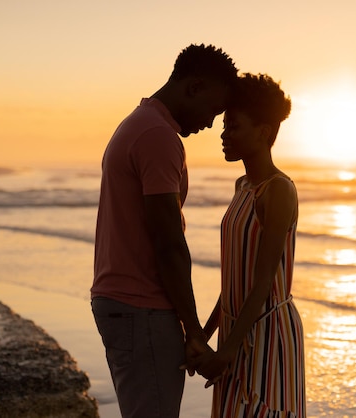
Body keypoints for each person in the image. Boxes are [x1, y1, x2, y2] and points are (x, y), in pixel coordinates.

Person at [91, 44, 238, 417]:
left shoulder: (139, 124)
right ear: (194, 86)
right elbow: (168, 241)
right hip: (141, 307)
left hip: (124, 302)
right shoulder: (158, 137)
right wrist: (193, 331)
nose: (209, 123)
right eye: (212, 110)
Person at [192, 74, 306, 417]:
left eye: (233, 126)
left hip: (267, 333)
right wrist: (203, 336)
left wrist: (224, 352)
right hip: (236, 330)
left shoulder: (278, 190)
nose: (224, 134)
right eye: (224, 125)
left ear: (264, 132)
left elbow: (262, 282)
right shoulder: (243, 186)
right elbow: (234, 283)